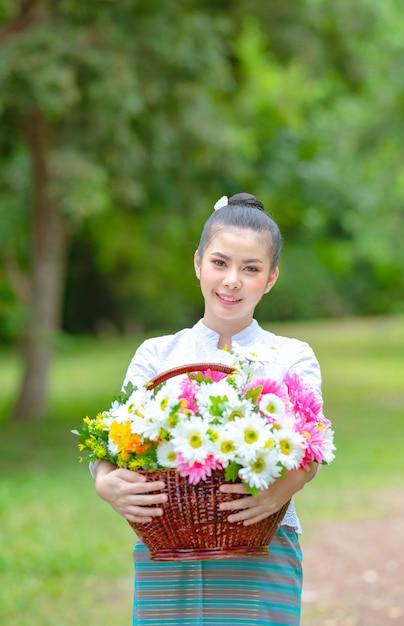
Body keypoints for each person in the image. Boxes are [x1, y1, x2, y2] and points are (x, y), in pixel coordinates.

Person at [94, 192, 324, 626]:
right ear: (198, 263)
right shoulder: (157, 354)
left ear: (271, 278)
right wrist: (106, 484)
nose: (232, 280)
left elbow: (312, 446)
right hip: (168, 543)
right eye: (220, 263)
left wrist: (281, 490)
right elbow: (113, 441)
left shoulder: (291, 356)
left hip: (263, 537)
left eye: (250, 268)